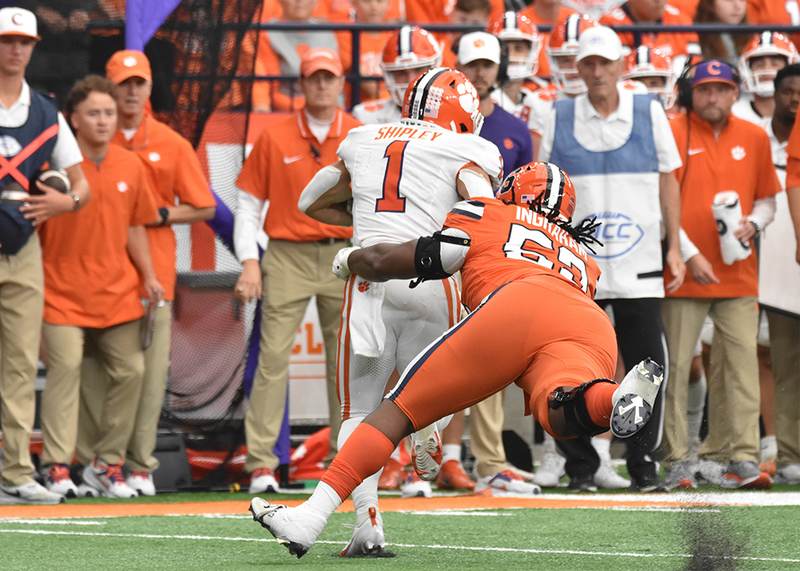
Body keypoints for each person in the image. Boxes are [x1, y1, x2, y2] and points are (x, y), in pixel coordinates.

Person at [248, 162, 664, 558]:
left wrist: (353, 259)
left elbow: (429, 259)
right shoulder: (584, 258)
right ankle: (613, 401)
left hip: (519, 303)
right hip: (590, 324)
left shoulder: (489, 212)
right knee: (559, 409)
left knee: (396, 411)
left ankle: (311, 516)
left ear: (514, 191)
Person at [298, 67, 502, 556]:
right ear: (462, 116)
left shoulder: (365, 136)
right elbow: (486, 213)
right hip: (433, 282)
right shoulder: (467, 149)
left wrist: (371, 217)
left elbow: (309, 201)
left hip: (370, 282)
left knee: (359, 409)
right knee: (427, 386)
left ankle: (367, 525)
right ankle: (427, 422)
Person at [540, 25, 684, 493]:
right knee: (569, 366)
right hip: (577, 269)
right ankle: (579, 466)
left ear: (622, 66)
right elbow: (542, 193)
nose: (597, 71)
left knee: (648, 367)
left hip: (640, 263)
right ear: (577, 68)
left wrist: (675, 247)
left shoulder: (649, 110)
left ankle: (643, 466)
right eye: (589, 63)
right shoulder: (557, 114)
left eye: (605, 62)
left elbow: (668, 181)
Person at [71, 49, 217, 497]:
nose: (132, 91)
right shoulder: (93, 140)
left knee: (149, 378)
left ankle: (137, 464)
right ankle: (94, 463)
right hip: (98, 274)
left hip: (153, 277)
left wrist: (159, 213)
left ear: (150, 87)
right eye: (124, 83)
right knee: (93, 375)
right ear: (109, 88)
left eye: (140, 83)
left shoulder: (172, 142)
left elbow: (205, 205)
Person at [234, 48, 361, 495]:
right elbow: (248, 205)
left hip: (343, 254)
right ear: (302, 85)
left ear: (341, 83)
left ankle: (341, 461)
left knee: (345, 362)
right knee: (271, 360)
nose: (322, 85)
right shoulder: (275, 136)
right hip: (286, 252)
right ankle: (261, 464)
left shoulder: (361, 135)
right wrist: (250, 260)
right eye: (313, 78)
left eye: (328, 77)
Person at [39, 75, 162, 499]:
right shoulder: (49, 168)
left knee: (132, 370)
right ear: (73, 119)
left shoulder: (132, 164)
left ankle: (107, 464)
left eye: (109, 113)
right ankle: (56, 465)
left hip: (117, 291)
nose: (103, 120)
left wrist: (148, 275)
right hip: (58, 290)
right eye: (93, 113)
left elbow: (134, 226)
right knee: (67, 367)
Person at [662, 59, 780, 490]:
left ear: (736, 92)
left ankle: (741, 455)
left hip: (739, 271)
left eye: (721, 89)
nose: (713, 97)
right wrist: (689, 254)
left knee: (742, 365)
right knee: (677, 365)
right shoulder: (671, 132)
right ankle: (676, 458)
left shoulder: (754, 136)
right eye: (705, 89)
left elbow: (768, 199)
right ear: (690, 92)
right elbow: (663, 202)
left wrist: (755, 222)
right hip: (682, 273)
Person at [0, 6, 89, 505]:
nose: (15, 50)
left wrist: (66, 201)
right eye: (7, 40)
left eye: (24, 42)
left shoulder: (46, 110)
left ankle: (14, 471)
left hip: (23, 249)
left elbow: (80, 184)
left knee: (17, 366)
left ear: (34, 47)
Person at [456, 31, 541, 494]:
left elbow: (531, 197)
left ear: (498, 68)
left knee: (489, 354)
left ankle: (489, 460)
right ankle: (429, 460)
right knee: (426, 352)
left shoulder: (514, 128)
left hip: (496, 253)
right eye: (473, 65)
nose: (481, 72)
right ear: (459, 68)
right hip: (446, 246)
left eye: (487, 64)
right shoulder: (443, 125)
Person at [763, 64, 800, 484]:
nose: (795, 99)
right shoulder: (755, 135)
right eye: (789, 92)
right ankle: (789, 452)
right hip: (775, 267)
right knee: (785, 363)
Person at [250, 0, 342, 112]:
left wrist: (335, 108)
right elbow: (269, 89)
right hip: (286, 111)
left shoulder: (327, 33)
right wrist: (313, 108)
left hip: (326, 110)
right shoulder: (266, 33)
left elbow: (337, 84)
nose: (299, 1)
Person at [351, 25, 442, 125]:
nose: (411, 80)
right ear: (389, 75)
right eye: (401, 73)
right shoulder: (366, 117)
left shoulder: (451, 114)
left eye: (418, 70)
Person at [599, 0, 701, 72]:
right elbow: (618, 71)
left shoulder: (681, 20)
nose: (659, 1)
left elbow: (695, 67)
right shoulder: (610, 24)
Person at [734, 32, 800, 124]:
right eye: (760, 65)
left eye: (775, 64)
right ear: (747, 70)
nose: (767, 69)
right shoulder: (735, 113)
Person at [694, 0, 749, 67]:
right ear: (710, 3)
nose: (738, 6)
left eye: (742, 0)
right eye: (728, 0)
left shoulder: (753, 35)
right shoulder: (694, 36)